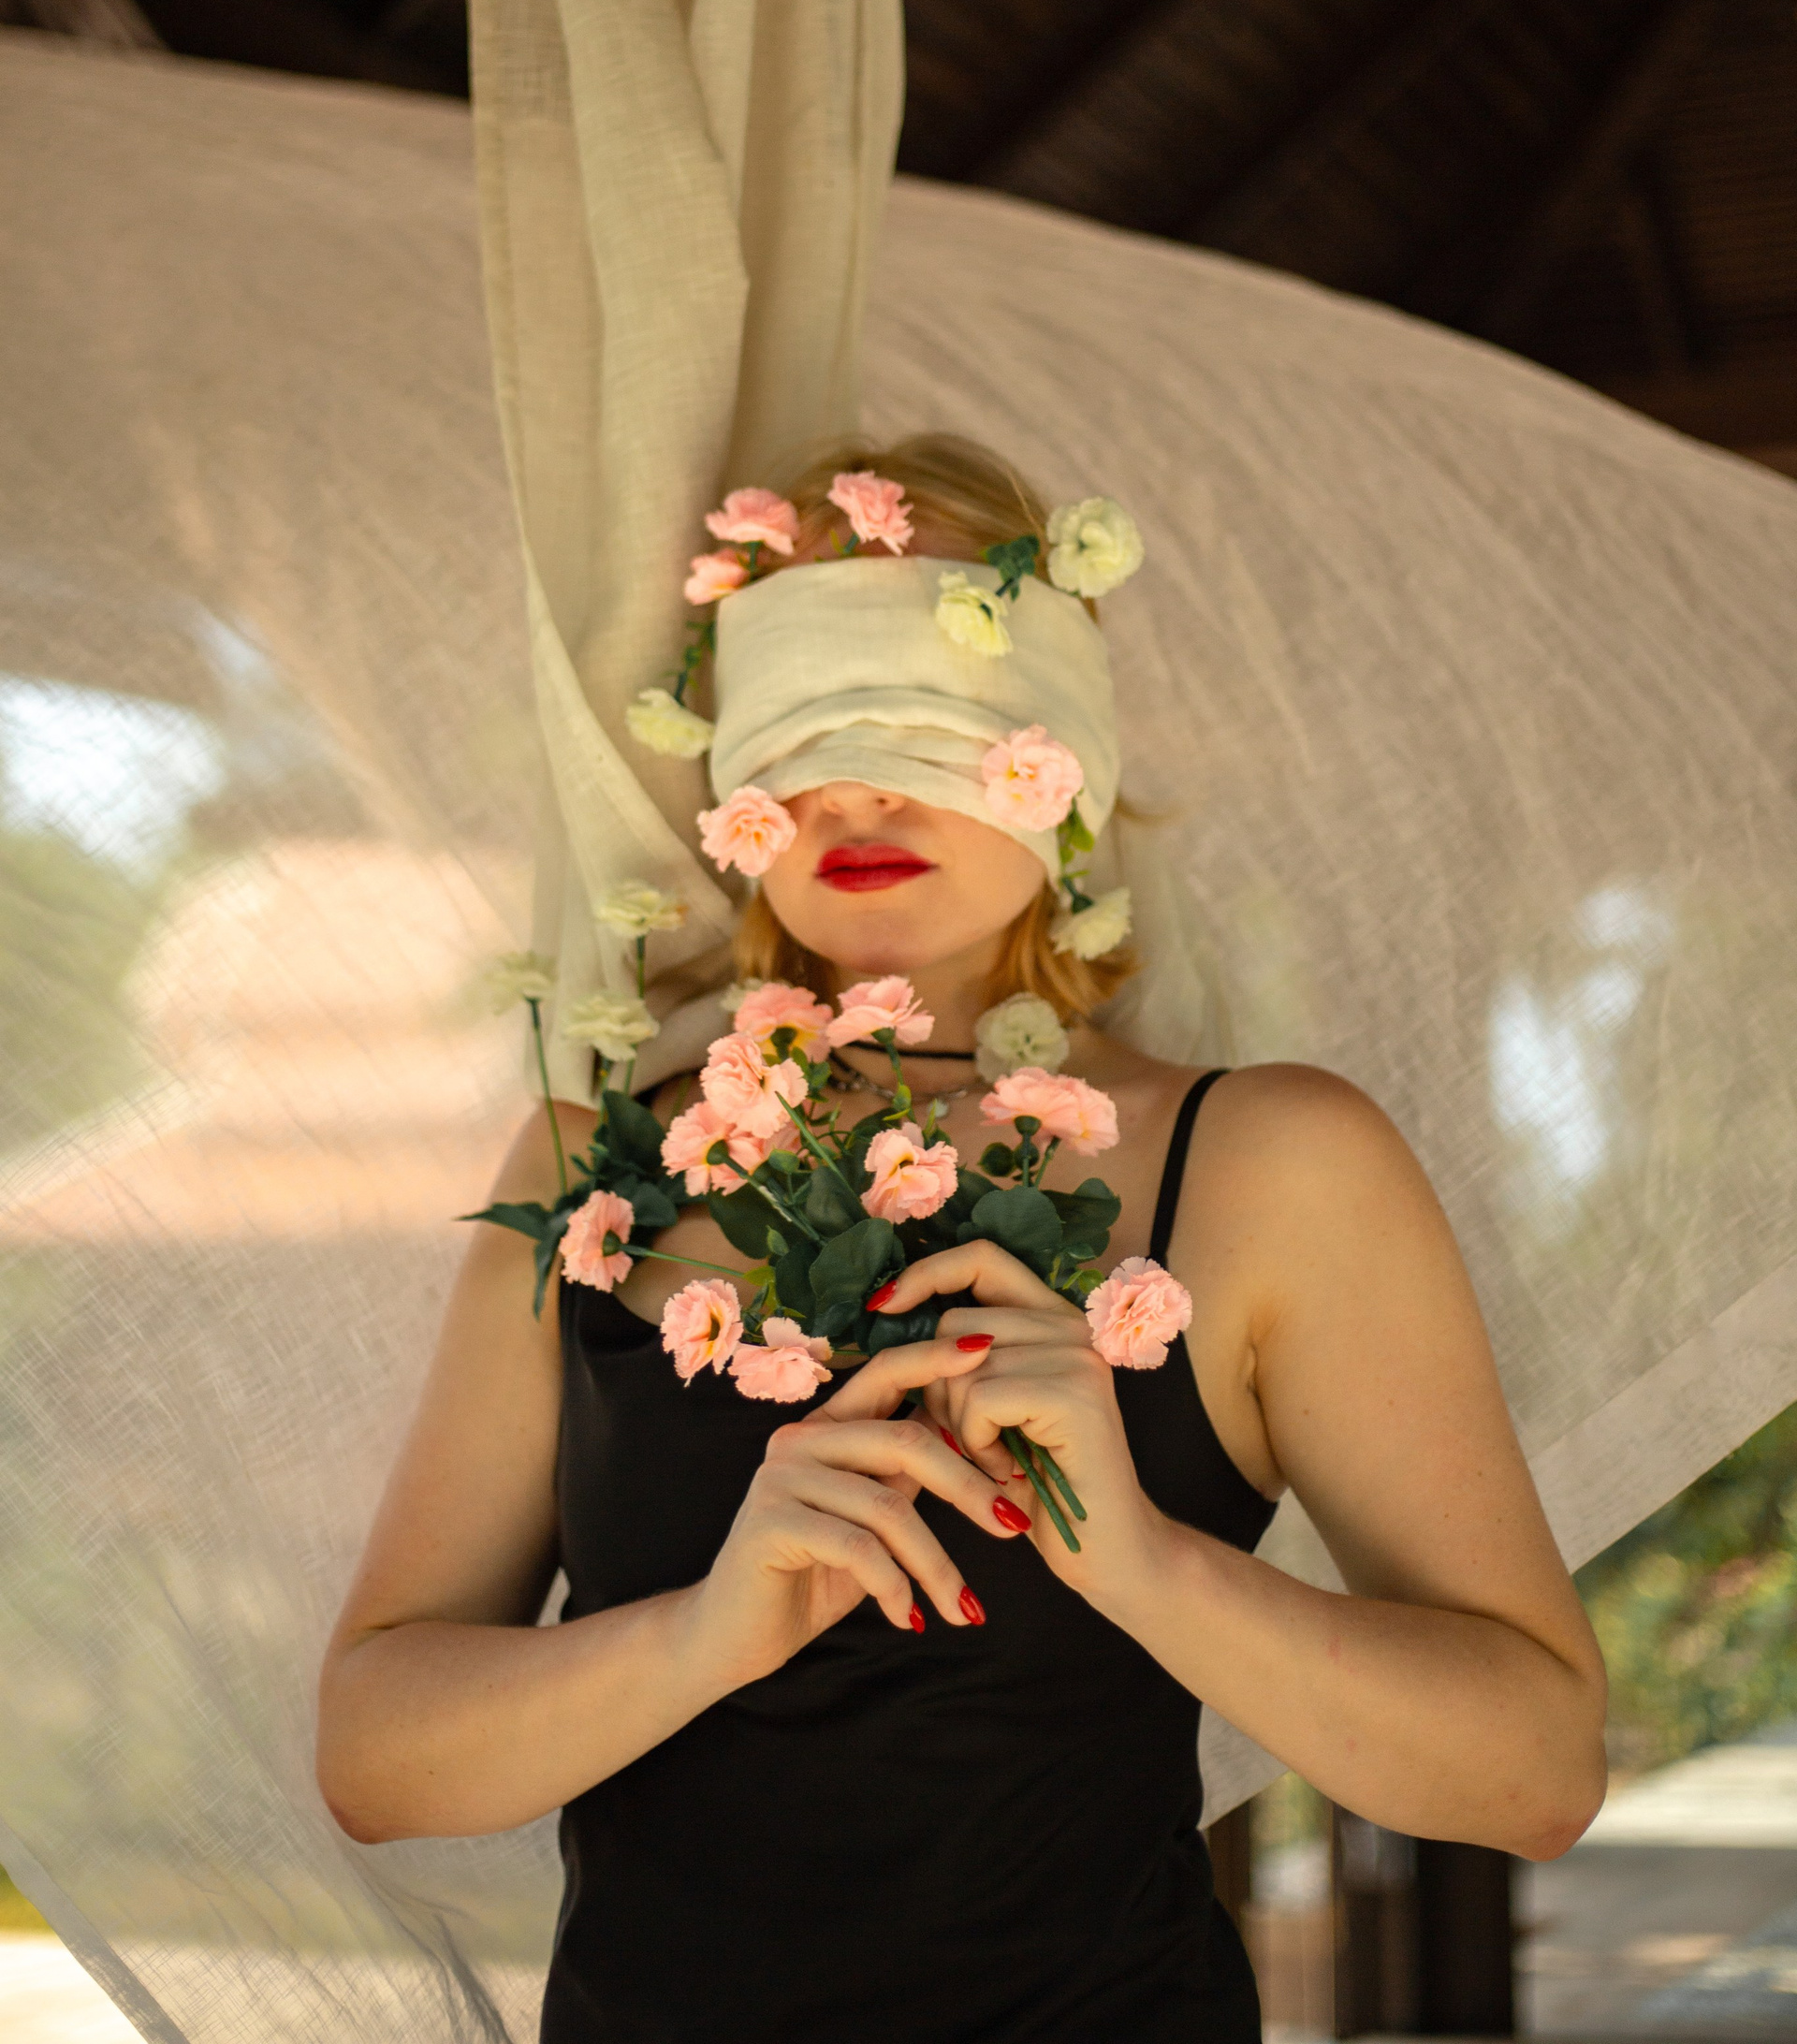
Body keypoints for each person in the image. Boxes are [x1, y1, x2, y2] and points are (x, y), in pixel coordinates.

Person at [315, 433, 1607, 2044]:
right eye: (803, 727)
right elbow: (374, 1760)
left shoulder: (1276, 1168)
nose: (855, 791)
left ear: (1063, 753)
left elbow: (1533, 1776)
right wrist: (704, 1636)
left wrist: (1139, 1559)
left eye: (924, 723)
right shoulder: (599, 1164)